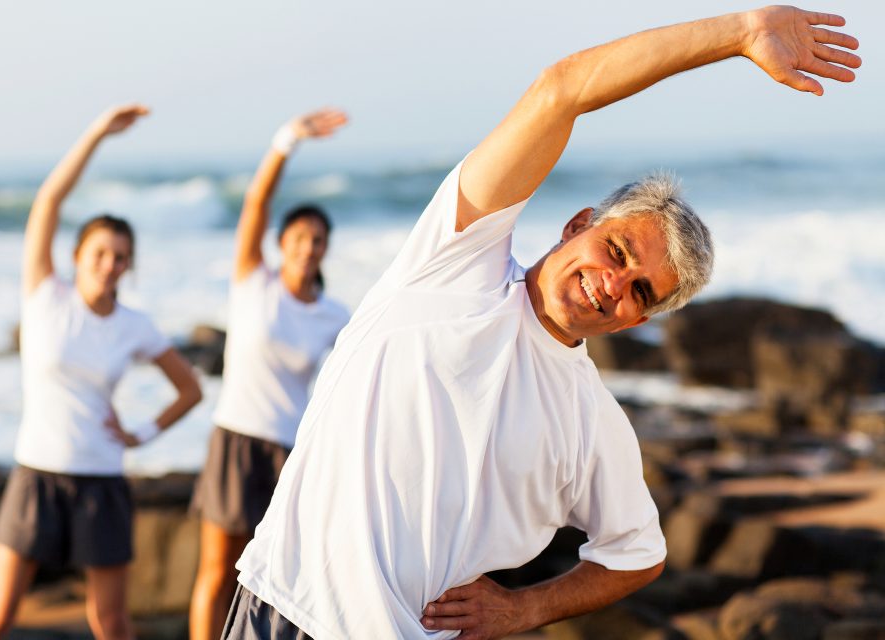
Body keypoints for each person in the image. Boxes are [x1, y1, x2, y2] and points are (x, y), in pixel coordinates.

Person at [225, 6, 860, 639]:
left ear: (640, 320)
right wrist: (739, 33)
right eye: (616, 252)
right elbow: (561, 91)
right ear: (579, 224)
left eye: (641, 291)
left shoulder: (592, 422)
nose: (613, 285)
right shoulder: (453, 261)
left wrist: (524, 609)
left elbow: (638, 553)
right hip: (287, 609)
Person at [0, 105, 203, 640]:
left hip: (101, 480)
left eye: (120, 257)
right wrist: (97, 134)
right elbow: (48, 200)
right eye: (100, 253)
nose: (109, 264)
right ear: (77, 255)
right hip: (36, 475)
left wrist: (141, 434)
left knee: (110, 621)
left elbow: (190, 389)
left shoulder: (135, 326)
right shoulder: (46, 296)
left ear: (129, 266)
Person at [189, 109, 351, 640]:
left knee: (276, 578)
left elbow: (357, 375)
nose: (308, 247)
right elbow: (256, 204)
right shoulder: (251, 282)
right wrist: (287, 141)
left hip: (290, 453)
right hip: (236, 438)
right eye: (300, 237)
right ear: (282, 243)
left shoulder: (333, 314)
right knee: (217, 571)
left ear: (326, 250)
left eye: (318, 241)